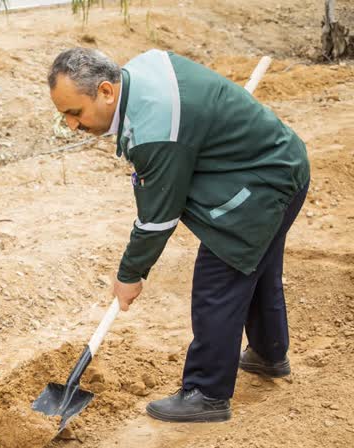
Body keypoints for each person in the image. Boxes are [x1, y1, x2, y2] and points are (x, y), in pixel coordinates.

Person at [48, 48, 310, 422]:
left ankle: (207, 393)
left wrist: (130, 274)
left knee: (218, 283)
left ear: (106, 91)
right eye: (64, 116)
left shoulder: (155, 129)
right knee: (256, 267)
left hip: (266, 183)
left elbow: (158, 218)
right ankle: (269, 354)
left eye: (75, 112)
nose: (72, 125)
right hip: (276, 163)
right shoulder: (141, 68)